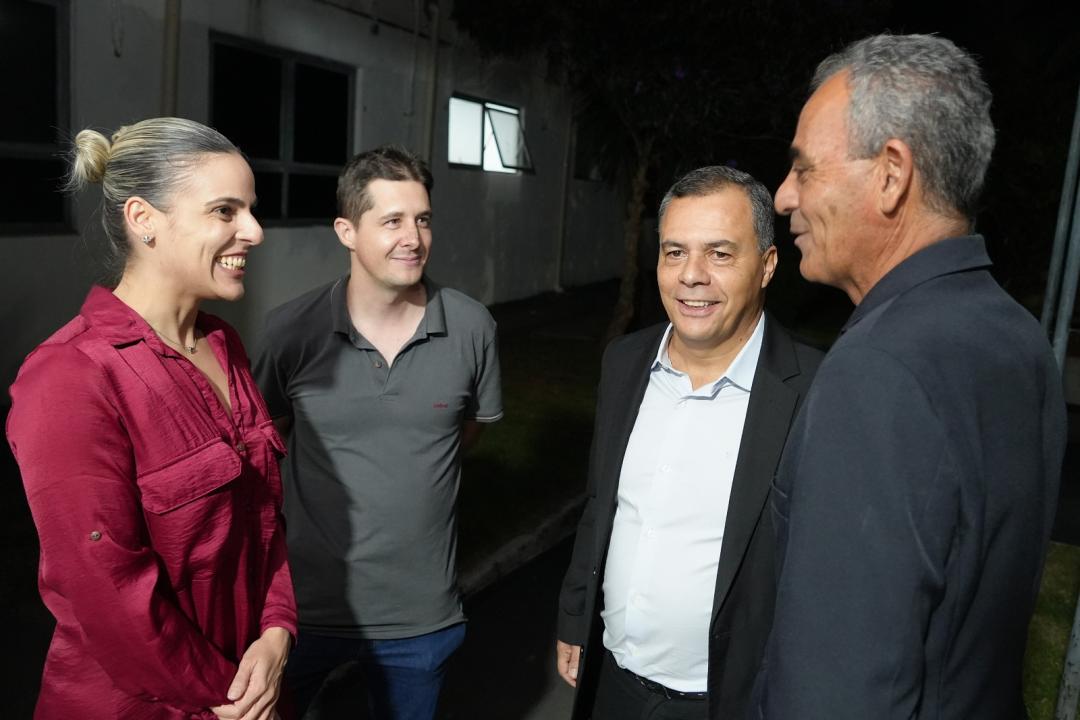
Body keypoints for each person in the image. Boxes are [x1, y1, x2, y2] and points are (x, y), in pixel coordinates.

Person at [756, 34, 1067, 719]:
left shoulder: (878, 372)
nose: (782, 197)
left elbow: (834, 697)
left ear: (892, 174)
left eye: (804, 168)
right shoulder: (1018, 338)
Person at [6, 117, 296, 720]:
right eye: (225, 211)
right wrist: (227, 697)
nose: (254, 231)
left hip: (249, 692)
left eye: (251, 209)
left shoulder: (224, 346)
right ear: (144, 220)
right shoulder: (69, 376)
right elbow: (106, 589)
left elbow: (265, 521)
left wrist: (277, 631)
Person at [555, 166, 823, 720]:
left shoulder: (816, 392)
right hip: (611, 683)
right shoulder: (624, 362)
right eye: (674, 252)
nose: (691, 276)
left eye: (719, 254)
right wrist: (575, 615)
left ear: (767, 265)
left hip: (728, 702)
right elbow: (602, 504)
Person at [254, 145, 502, 720]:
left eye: (423, 219)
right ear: (347, 231)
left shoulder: (472, 327)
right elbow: (268, 450)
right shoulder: (289, 331)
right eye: (392, 221)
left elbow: (463, 435)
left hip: (421, 618)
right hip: (303, 613)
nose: (413, 238)